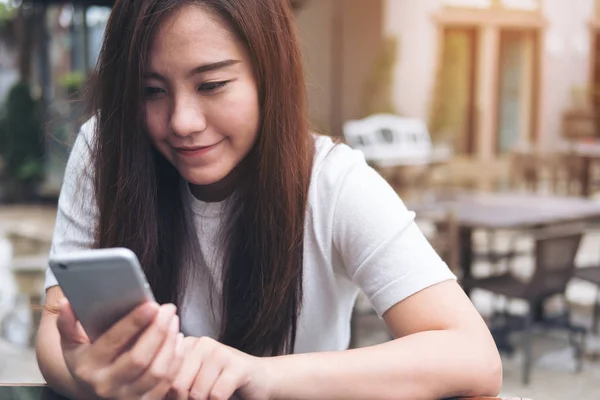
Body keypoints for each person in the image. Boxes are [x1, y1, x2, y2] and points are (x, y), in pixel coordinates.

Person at [36, 0, 502, 399]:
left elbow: (472, 354)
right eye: (151, 91)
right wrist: (92, 380)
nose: (182, 121)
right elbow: (55, 339)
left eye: (212, 85)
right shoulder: (107, 151)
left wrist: (262, 375)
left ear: (269, 75)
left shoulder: (333, 185)